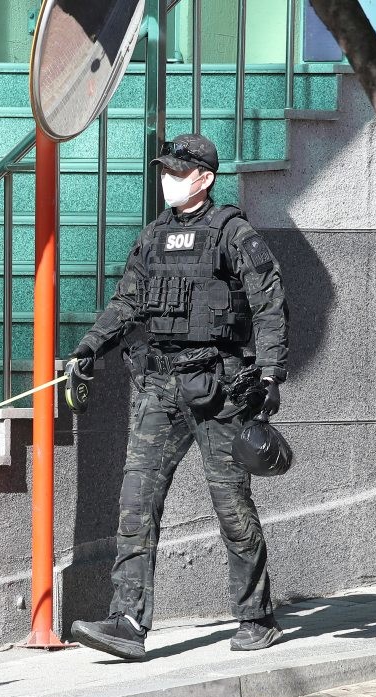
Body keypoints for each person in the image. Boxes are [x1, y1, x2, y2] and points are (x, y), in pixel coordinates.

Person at [65, 132, 289, 661]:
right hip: (159, 386)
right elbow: (127, 303)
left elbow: (270, 302)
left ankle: (256, 616)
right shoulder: (152, 237)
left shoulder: (233, 234)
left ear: (204, 179)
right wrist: (88, 349)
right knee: (136, 503)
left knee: (231, 504)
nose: (167, 180)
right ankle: (127, 621)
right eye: (164, 171)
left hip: (219, 386)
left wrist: (272, 374)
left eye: (177, 173)